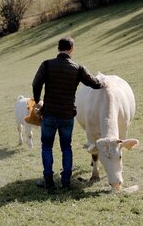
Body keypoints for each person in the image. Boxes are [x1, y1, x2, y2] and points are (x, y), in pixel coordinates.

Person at [32, 37, 105, 194]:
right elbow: (93, 83)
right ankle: (66, 182)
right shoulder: (78, 68)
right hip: (66, 116)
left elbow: (36, 83)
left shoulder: (46, 64)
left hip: (49, 114)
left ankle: (49, 182)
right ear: (72, 49)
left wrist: (38, 100)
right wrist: (103, 83)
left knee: (46, 147)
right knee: (66, 148)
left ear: (58, 48)